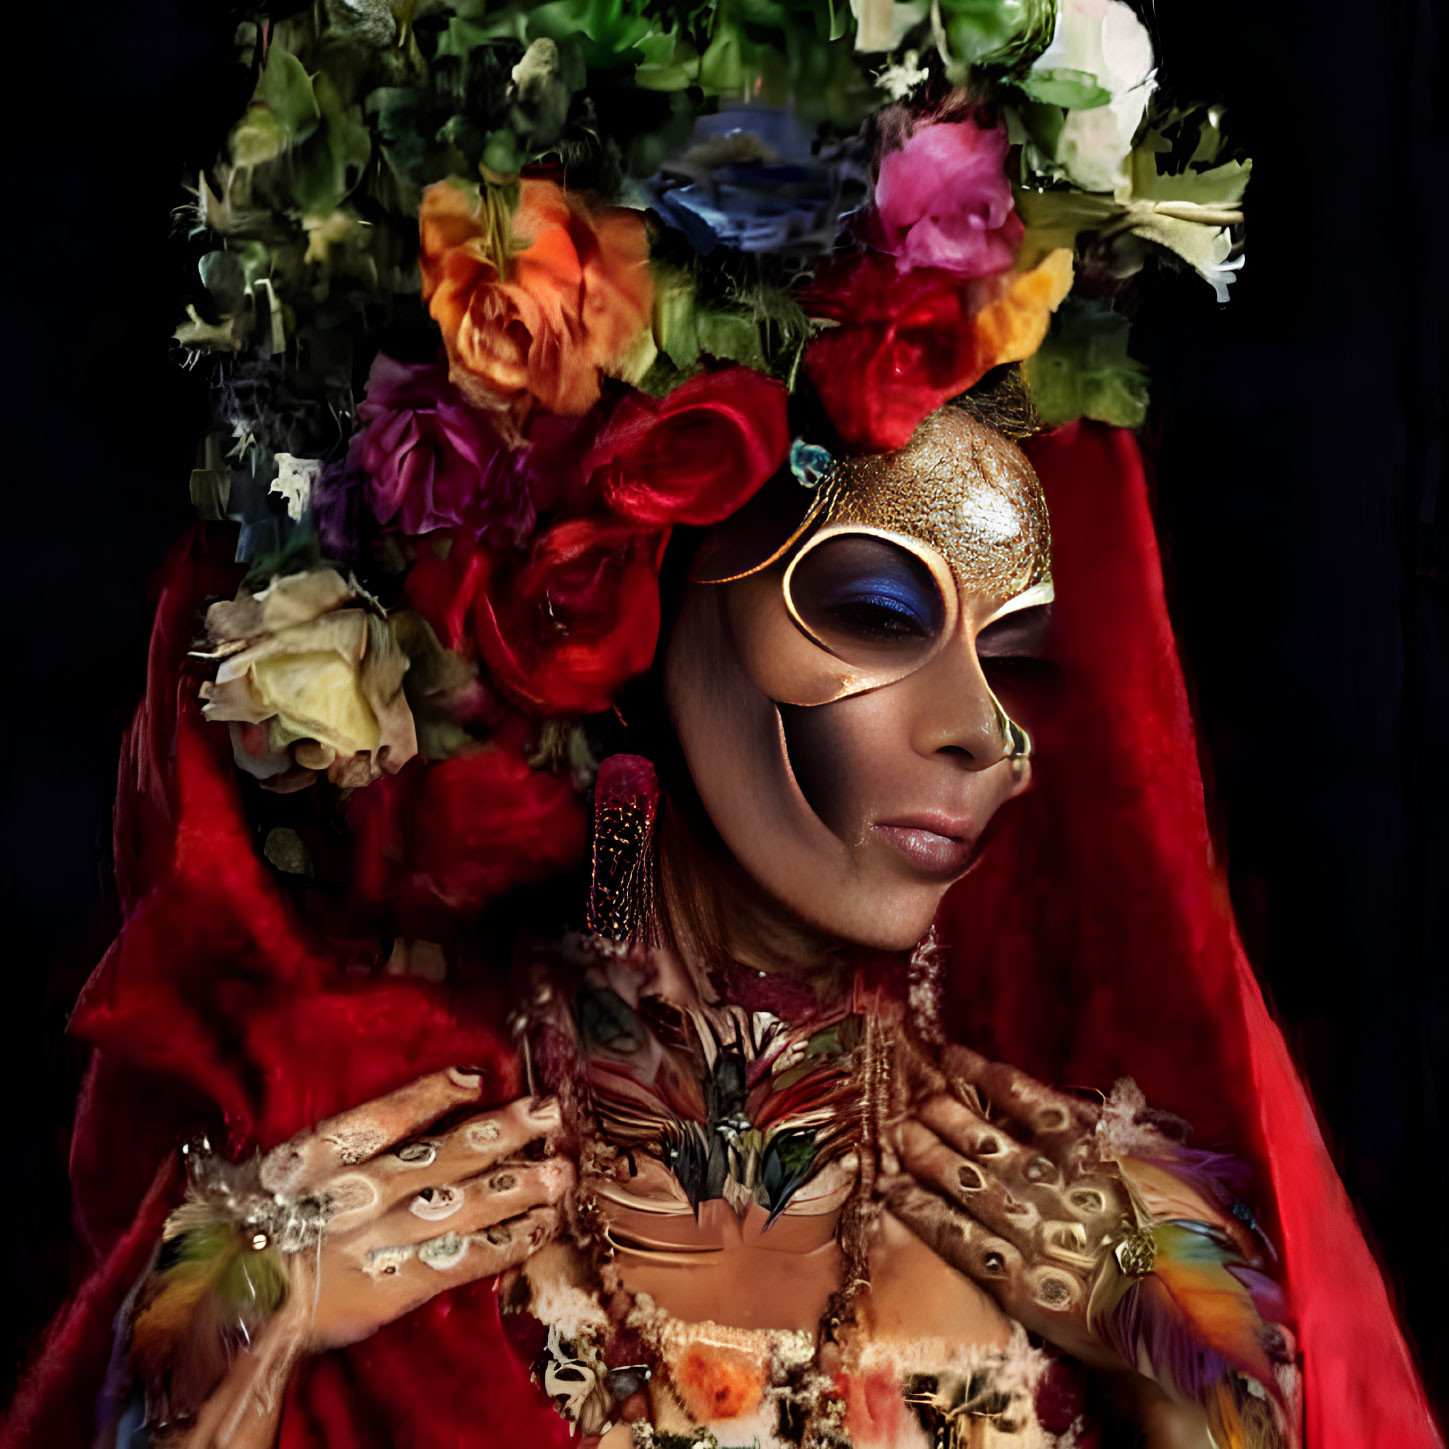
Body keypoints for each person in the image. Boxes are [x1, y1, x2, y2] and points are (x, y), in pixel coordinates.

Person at [1, 4, 1440, 1448]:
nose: (983, 736)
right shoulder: (337, 1214)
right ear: (623, 593)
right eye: (876, 610)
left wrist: (1190, 1397)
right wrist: (219, 1386)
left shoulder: (1121, 1257)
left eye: (1011, 656)